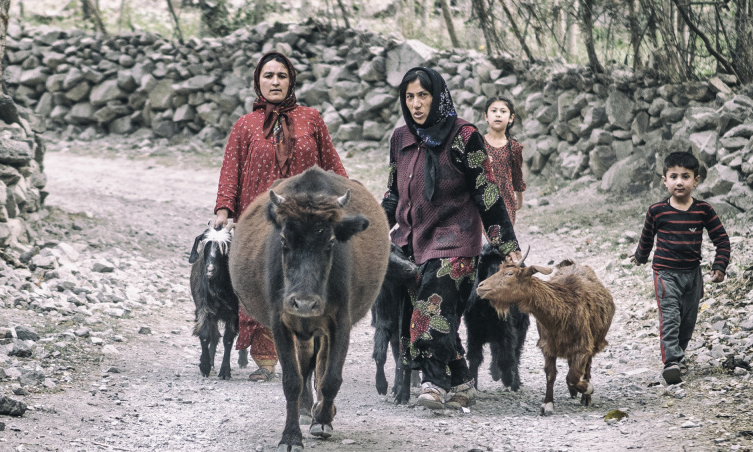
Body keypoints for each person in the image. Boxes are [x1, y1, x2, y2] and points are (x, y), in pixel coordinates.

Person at [382, 67, 520, 410]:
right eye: (409, 97)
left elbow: (487, 192)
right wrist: (369, 229)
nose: (416, 104)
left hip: (454, 242)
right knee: (434, 315)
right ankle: (460, 378)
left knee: (429, 314)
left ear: (438, 96)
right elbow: (392, 195)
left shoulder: (464, 136)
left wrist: (507, 246)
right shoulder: (400, 138)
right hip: (411, 242)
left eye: (423, 96)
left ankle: (433, 382)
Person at [213, 51, 348, 382]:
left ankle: (307, 346)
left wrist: (345, 199)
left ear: (292, 81)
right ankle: (265, 357)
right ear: (258, 81)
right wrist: (223, 210)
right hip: (260, 216)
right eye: (268, 76)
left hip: (304, 219)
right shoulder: (244, 126)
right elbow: (231, 171)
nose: (275, 82)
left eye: (281, 76)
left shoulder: (311, 120)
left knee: (304, 273)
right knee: (263, 279)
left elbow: (331, 165)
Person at [630, 151, 731, 385]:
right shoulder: (657, 211)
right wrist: (639, 257)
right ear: (664, 180)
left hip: (693, 275)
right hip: (665, 274)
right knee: (670, 317)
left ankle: (679, 354)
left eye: (685, 176)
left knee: (688, 320)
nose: (679, 182)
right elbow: (646, 240)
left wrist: (720, 265)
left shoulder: (703, 210)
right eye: (673, 176)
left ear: (696, 180)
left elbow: (722, 240)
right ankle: (671, 362)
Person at [481, 96, 527, 225]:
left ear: (511, 118)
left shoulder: (514, 147)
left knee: (504, 239)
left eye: (503, 111)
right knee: (485, 241)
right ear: (486, 116)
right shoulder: (478, 143)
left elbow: (517, 175)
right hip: (482, 199)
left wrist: (519, 199)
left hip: (506, 200)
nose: (498, 115)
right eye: (494, 111)